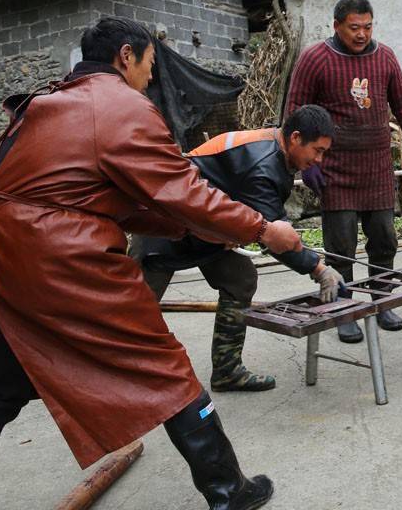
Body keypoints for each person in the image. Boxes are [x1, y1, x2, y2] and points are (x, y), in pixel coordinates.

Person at [0, 17, 303, 510]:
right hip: (55, 255)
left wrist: (191, 230)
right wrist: (262, 229)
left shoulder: (51, 102)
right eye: (149, 65)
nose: (150, 79)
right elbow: (181, 188)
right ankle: (229, 493)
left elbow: (106, 198)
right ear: (126, 56)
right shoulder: (121, 105)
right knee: (165, 367)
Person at [130, 104, 345, 393]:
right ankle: (110, 387)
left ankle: (227, 371)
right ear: (295, 138)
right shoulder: (264, 167)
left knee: (240, 279)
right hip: (166, 224)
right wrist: (319, 269)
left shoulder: (274, 148)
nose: (319, 159)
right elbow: (277, 239)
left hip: (207, 228)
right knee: (133, 312)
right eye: (317, 150)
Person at [285, 0, 402, 343]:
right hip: (334, 168)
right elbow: (295, 111)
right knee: (341, 245)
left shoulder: (385, 58)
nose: (362, 34)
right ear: (336, 26)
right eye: (354, 27)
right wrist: (302, 164)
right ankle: (344, 308)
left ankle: (382, 301)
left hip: (376, 166)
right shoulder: (315, 59)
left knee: (384, 238)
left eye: (367, 27)